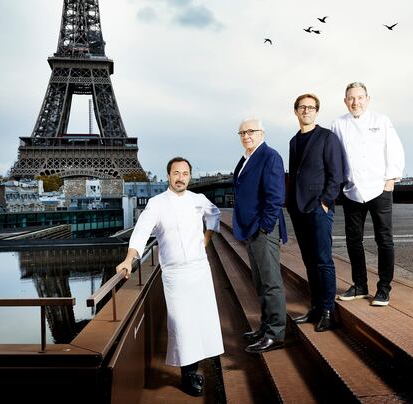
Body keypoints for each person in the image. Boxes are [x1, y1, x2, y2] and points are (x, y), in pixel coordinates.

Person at [116, 157, 224, 397]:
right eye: (176, 173)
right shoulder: (156, 204)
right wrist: (128, 259)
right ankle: (190, 374)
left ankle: (196, 366)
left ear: (189, 176)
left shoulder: (198, 200)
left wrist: (206, 239)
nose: (180, 178)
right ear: (168, 176)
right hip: (174, 274)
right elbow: (142, 232)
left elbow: (214, 214)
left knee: (201, 320)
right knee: (182, 324)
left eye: (185, 174)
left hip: (199, 269)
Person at [331, 82, 405, 306]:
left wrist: (391, 179)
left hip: (379, 188)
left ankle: (383, 288)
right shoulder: (338, 124)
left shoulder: (381, 121)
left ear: (367, 99)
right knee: (354, 240)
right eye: (351, 98)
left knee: (384, 240)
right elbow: (334, 156)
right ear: (345, 101)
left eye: (360, 97)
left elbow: (394, 148)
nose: (356, 102)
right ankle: (360, 285)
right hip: (352, 190)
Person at [287, 93, 344, 331]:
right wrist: (290, 203)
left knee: (323, 260)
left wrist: (325, 202)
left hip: (319, 208)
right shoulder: (293, 141)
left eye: (311, 107)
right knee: (309, 261)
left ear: (317, 112)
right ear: (296, 112)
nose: (307, 111)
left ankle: (328, 310)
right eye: (302, 107)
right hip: (298, 209)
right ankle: (316, 307)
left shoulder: (327, 137)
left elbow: (336, 174)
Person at [233, 117, 287, 353]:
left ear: (262, 133)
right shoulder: (245, 159)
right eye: (242, 132)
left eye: (251, 131)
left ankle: (276, 333)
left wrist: (265, 226)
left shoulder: (270, 156)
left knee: (271, 282)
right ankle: (266, 327)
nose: (246, 135)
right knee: (260, 282)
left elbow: (276, 196)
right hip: (251, 228)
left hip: (263, 228)